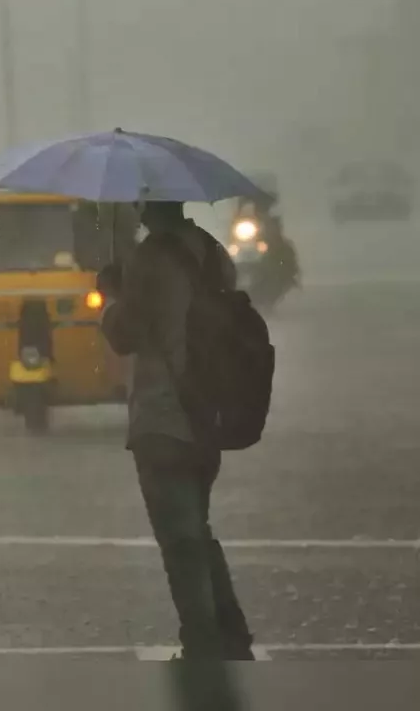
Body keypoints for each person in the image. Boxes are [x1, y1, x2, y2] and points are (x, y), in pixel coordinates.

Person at [97, 201, 255, 661]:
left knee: (180, 539)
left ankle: (204, 642)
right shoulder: (210, 252)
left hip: (163, 415)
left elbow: (124, 335)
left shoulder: (148, 259)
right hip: (209, 414)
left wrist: (111, 295)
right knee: (196, 529)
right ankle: (232, 631)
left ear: (150, 208)